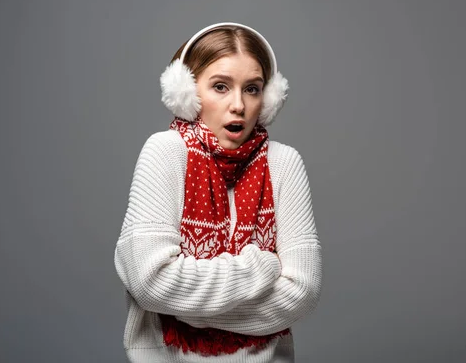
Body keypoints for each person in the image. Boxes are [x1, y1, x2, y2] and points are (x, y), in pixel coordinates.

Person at [114, 22, 322, 362]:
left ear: (268, 100)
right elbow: (151, 282)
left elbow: (303, 291)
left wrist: (185, 310)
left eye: (252, 89)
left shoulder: (284, 163)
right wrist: (261, 267)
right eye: (221, 87)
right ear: (187, 92)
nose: (238, 104)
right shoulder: (165, 152)